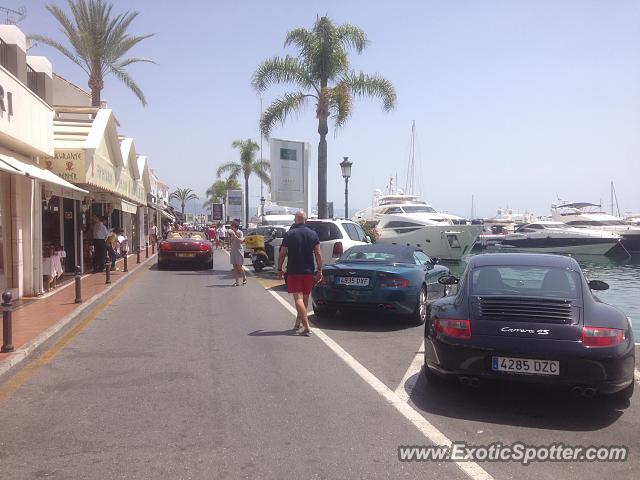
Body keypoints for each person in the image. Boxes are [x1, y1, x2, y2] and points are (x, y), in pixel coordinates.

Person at [277, 210, 323, 336]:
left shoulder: (289, 234)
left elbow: (282, 253)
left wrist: (279, 268)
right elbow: (318, 253)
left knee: (298, 298)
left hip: (293, 270)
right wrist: (320, 270)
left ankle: (306, 326)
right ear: (305, 220)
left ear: (295, 220)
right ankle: (298, 323)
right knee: (305, 297)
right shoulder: (313, 234)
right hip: (308, 271)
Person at [228, 219, 246, 286]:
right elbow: (231, 241)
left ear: (234, 226)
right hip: (233, 250)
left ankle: (244, 277)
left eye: (231, 226)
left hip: (239, 250)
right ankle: (237, 282)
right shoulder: (231, 232)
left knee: (239, 266)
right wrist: (232, 236)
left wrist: (235, 236)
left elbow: (241, 241)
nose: (230, 227)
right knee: (234, 267)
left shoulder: (240, 232)